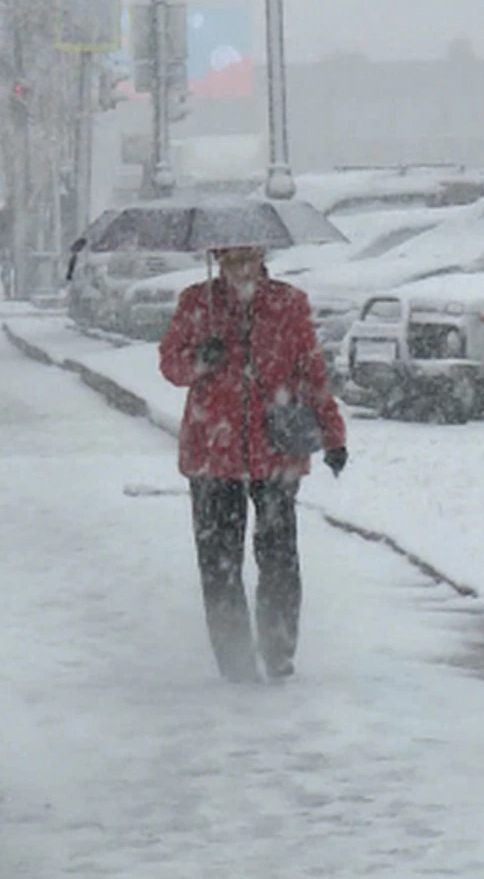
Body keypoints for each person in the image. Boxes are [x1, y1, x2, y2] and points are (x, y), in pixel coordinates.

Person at [157, 243, 348, 684]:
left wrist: (333, 434)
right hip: (212, 454)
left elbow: (312, 371)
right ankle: (235, 659)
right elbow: (170, 363)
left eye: (248, 259)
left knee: (279, 558)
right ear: (218, 261)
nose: (239, 269)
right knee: (220, 563)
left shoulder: (288, 303)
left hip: (275, 448)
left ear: (262, 258)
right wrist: (199, 360)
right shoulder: (197, 302)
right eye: (230, 261)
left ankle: (278, 649)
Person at [0, 205, 16, 298]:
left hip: (4, 245)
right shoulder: (11, 216)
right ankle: (8, 290)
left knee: (6, 268)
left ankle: (7, 290)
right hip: (7, 246)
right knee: (7, 268)